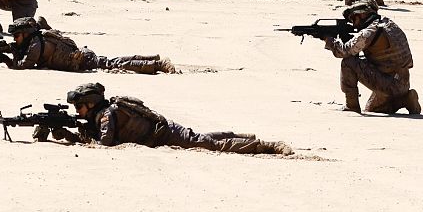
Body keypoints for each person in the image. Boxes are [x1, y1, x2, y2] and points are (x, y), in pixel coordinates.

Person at [37, 82, 293, 155]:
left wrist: (71, 137)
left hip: (164, 133)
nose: (77, 112)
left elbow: (105, 145)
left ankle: (263, 146)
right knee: (201, 139)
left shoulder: (106, 115)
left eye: (79, 107)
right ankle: (244, 137)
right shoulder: (104, 112)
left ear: (90, 104)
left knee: (207, 144)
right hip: (161, 132)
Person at [320, 0, 421, 115]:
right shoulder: (389, 24)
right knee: (372, 109)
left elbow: (343, 52)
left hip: (388, 84)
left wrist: (328, 40)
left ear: (363, 15)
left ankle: (351, 106)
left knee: (348, 62)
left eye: (354, 18)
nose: (353, 23)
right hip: (403, 81)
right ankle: (406, 99)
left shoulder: (369, 32)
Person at [0, 17, 176, 74]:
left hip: (82, 60)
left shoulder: (36, 44)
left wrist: (7, 60)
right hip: (82, 55)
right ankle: (152, 59)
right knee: (113, 61)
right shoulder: (38, 39)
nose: (15, 39)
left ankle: (157, 65)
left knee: (115, 64)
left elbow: (25, 65)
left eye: (17, 36)